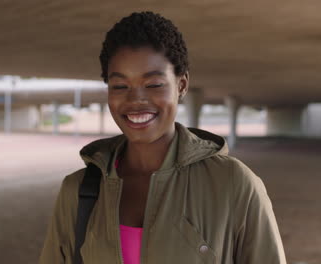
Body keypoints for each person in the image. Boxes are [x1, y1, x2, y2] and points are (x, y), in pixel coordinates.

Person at [39, 11, 287, 264]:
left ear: (181, 85)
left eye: (154, 84)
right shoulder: (79, 191)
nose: (136, 100)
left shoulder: (234, 184)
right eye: (120, 86)